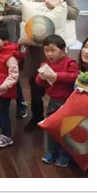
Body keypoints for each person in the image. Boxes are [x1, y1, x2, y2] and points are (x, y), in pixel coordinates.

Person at [6, 0, 80, 131]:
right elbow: (29, 12)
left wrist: (59, 6)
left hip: (54, 44)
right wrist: (11, 9)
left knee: (58, 84)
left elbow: (75, 13)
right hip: (34, 42)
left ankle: (59, 120)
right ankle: (37, 117)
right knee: (35, 82)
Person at [36, 34, 81, 165]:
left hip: (67, 102)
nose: (49, 54)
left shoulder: (70, 63)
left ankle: (64, 154)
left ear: (62, 50)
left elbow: (75, 76)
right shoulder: (45, 64)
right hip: (53, 101)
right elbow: (39, 83)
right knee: (52, 127)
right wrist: (41, 77)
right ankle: (51, 151)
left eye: (53, 50)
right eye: (46, 50)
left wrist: (57, 76)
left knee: (66, 128)